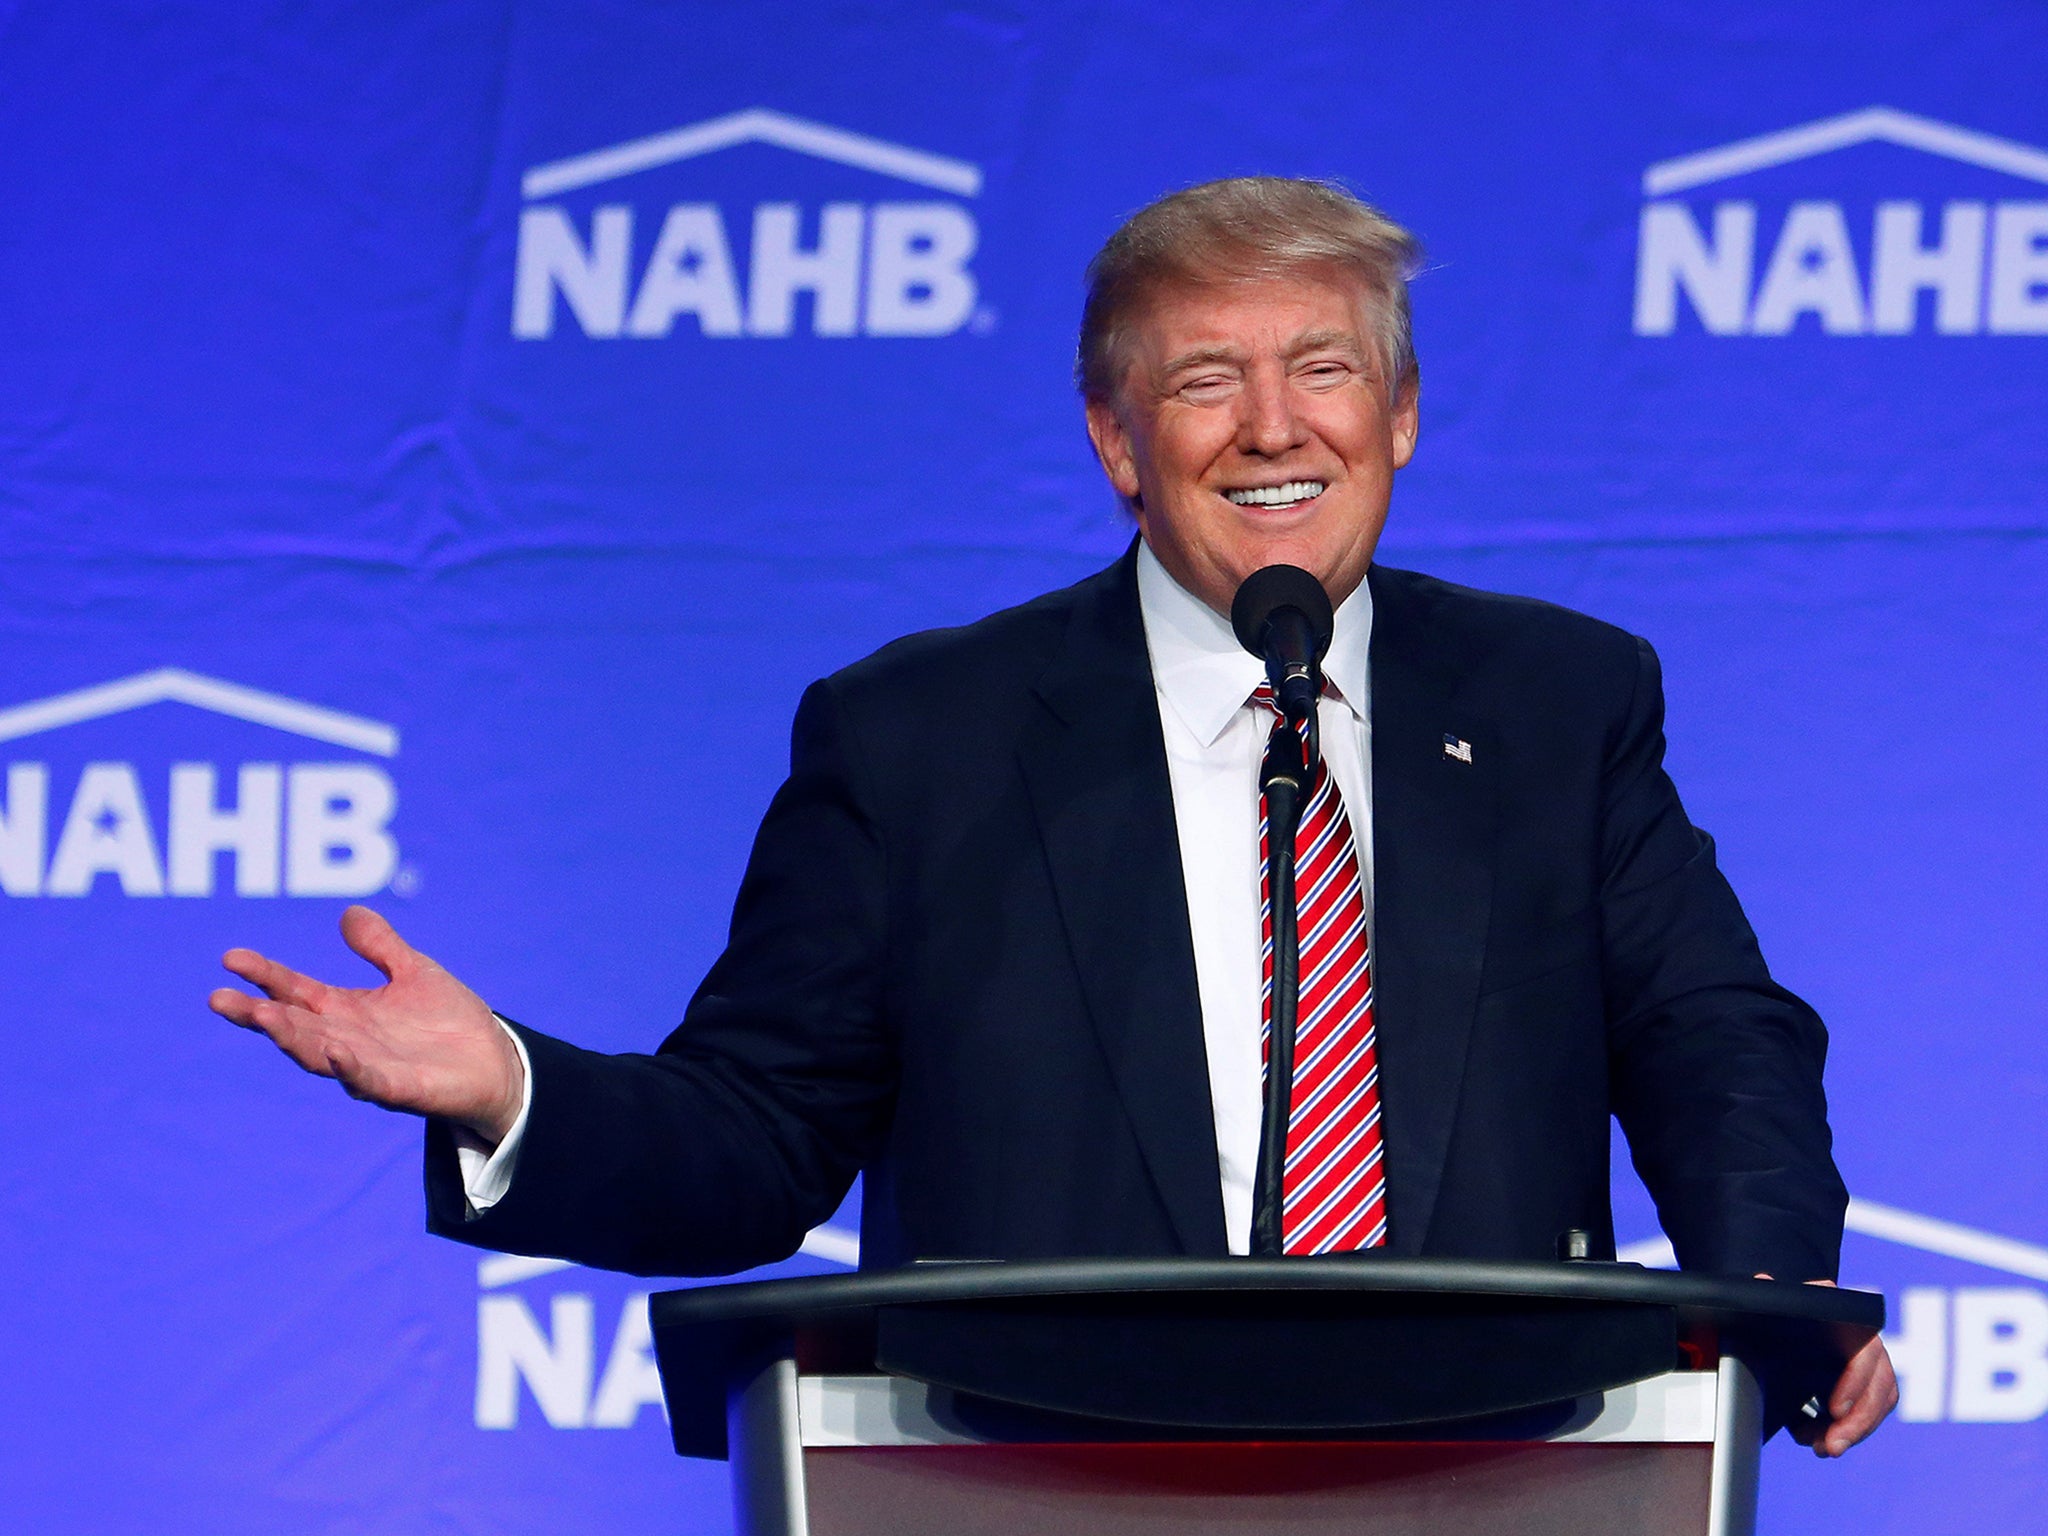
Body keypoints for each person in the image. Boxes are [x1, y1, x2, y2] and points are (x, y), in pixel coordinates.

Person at [210, 177, 1895, 1453]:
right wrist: (512, 1086)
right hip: (1037, 1468)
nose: (1271, 427)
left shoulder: (1553, 701)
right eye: (1203, 382)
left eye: (1323, 368)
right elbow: (753, 1141)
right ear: (1115, 439)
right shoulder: (917, 736)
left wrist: (1772, 1307)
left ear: (1399, 417)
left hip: (1490, 1462)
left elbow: (1712, 1038)